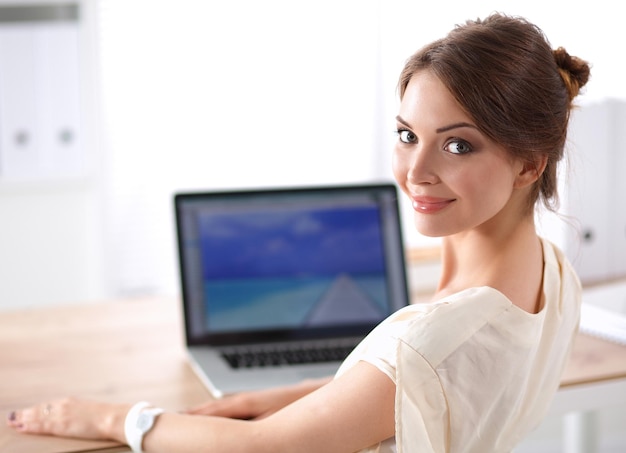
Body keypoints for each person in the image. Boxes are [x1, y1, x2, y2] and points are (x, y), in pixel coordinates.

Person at [7, 12, 590, 453]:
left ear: (528, 164)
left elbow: (264, 447)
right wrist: (284, 395)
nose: (415, 171)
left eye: (457, 145)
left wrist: (113, 419)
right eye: (407, 134)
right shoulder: (554, 275)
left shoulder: (430, 341)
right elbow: (410, 391)